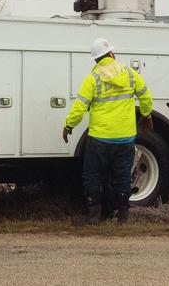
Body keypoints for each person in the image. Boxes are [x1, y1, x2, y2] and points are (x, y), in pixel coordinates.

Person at [62, 37, 154, 224]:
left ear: (96, 59)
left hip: (100, 139)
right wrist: (146, 115)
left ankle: (94, 217)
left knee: (92, 177)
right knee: (122, 177)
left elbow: (80, 106)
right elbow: (145, 94)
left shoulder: (93, 78)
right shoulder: (130, 75)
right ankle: (122, 218)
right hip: (126, 138)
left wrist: (69, 125)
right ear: (111, 54)